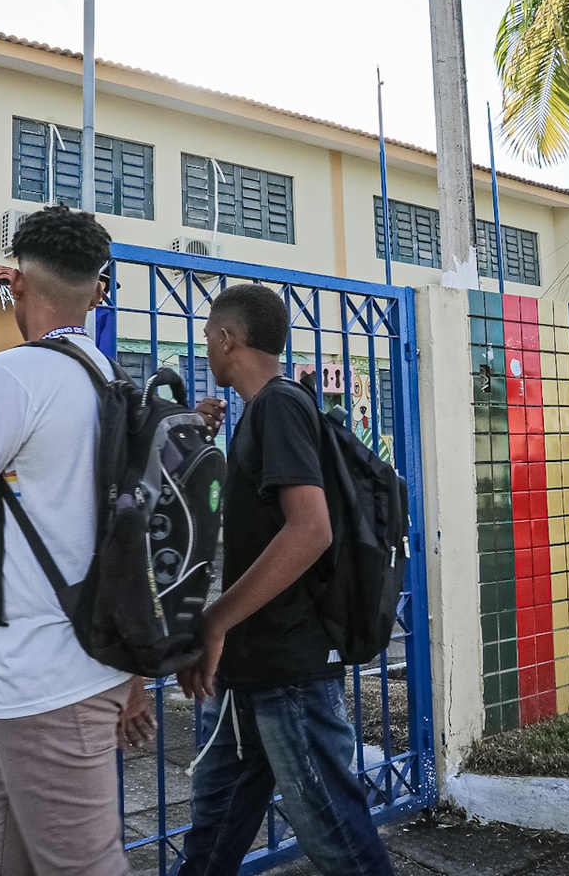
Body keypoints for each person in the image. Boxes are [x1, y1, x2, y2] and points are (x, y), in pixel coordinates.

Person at [0, 205, 152, 876]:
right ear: (98, 291)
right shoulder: (108, 378)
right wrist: (133, 678)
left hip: (48, 684)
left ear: (16, 285)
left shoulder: (9, 380)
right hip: (82, 664)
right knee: (2, 861)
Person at [175, 283, 395, 876]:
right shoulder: (260, 412)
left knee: (340, 842)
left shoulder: (279, 406)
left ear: (228, 338)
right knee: (213, 838)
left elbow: (310, 530)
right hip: (251, 671)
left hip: (287, 672)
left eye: (208, 338)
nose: (207, 349)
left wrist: (217, 618)